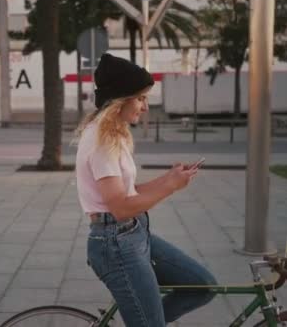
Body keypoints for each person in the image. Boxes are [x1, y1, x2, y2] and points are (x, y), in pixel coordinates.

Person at [74, 53, 217, 327]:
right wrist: (171, 188)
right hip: (115, 244)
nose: (145, 106)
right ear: (120, 99)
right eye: (140, 98)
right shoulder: (101, 140)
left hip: (134, 233)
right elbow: (120, 207)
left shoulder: (114, 134)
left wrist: (169, 179)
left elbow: (128, 191)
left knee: (203, 286)